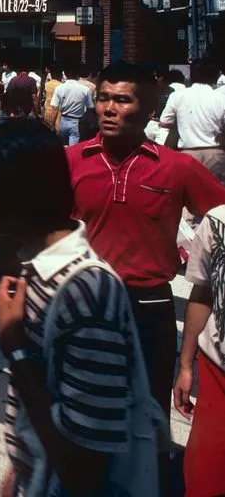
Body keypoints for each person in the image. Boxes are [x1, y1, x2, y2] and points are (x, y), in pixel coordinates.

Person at [0, 118, 146, 497]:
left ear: (17, 194)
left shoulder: (86, 291)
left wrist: (16, 348)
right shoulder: (38, 268)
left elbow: (85, 466)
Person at [67, 62, 225, 432]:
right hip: (86, 299)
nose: (109, 108)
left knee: (150, 413)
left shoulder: (177, 167)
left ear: (149, 111)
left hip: (149, 303)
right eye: (103, 98)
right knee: (84, 407)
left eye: (122, 100)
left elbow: (220, 215)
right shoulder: (70, 161)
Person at [174, 201, 225, 497]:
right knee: (205, 478)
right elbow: (203, 293)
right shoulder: (217, 221)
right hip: (217, 374)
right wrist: (185, 366)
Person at [159, 59, 225, 184]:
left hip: (187, 154)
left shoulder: (177, 96)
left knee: (188, 196)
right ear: (215, 76)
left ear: (191, 76)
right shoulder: (221, 98)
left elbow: (164, 122)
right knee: (217, 196)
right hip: (216, 154)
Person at [50, 65, 93, 145]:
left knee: (62, 149)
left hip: (63, 121)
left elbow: (55, 108)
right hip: (77, 122)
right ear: (78, 75)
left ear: (65, 74)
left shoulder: (59, 88)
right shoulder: (85, 90)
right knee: (73, 150)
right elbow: (90, 109)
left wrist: (52, 125)